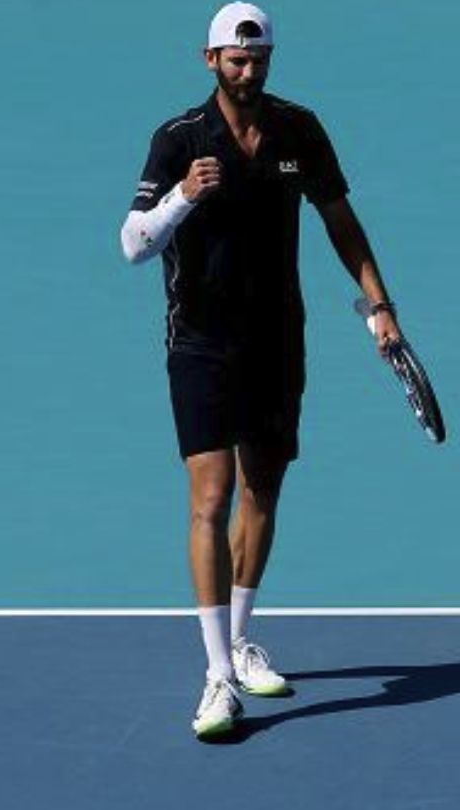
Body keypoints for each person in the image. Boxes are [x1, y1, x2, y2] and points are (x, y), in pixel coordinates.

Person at [119, 2, 402, 739]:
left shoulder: (298, 130)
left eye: (259, 60)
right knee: (210, 496)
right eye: (236, 60)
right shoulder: (178, 139)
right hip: (202, 342)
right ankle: (217, 677)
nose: (249, 71)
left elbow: (341, 219)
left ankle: (240, 638)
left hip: (279, 338)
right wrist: (184, 195)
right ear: (209, 59)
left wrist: (379, 304)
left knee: (264, 488)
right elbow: (132, 244)